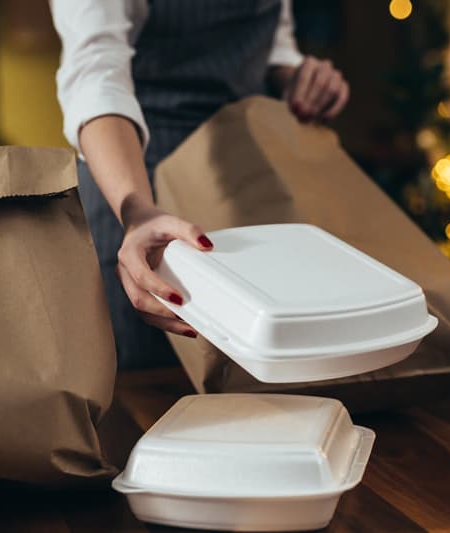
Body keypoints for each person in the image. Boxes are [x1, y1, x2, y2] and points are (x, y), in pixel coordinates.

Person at [51, 0, 349, 370]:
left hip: (244, 176)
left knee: (259, 373)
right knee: (149, 384)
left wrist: (297, 77)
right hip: (139, 186)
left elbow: (275, 44)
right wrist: (138, 210)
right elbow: (96, 75)